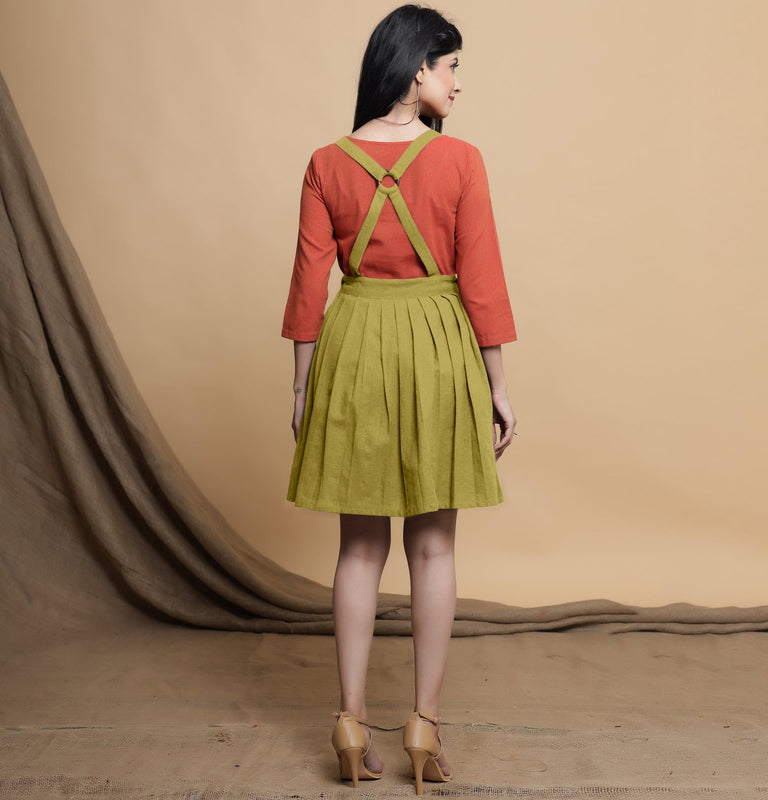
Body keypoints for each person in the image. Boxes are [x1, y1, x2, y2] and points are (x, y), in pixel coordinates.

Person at [281, 4, 516, 794]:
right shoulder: (461, 163)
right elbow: (481, 280)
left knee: (357, 549)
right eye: (451, 66)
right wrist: (498, 385)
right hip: (438, 345)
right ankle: (423, 724)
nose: (458, 83)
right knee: (435, 548)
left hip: (354, 344)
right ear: (417, 69)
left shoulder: (325, 161)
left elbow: (309, 283)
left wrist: (303, 384)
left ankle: (348, 723)